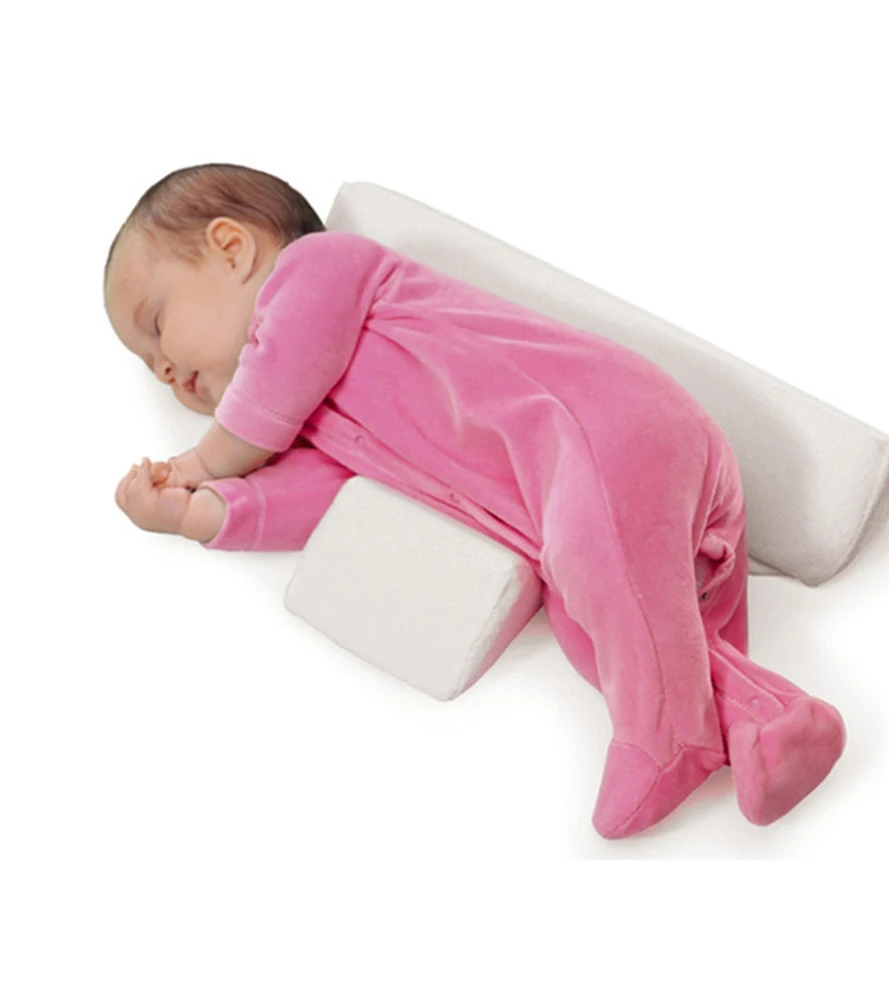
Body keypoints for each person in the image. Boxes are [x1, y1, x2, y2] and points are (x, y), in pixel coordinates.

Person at [105, 162, 846, 839]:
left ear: (232, 247)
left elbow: (265, 401)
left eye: (156, 326)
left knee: (597, 563)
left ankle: (669, 738)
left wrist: (201, 463)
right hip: (580, 509)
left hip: (606, 425)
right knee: (593, 625)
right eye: (149, 366)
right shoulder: (314, 421)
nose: (163, 370)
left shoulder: (321, 271)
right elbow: (324, 495)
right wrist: (200, 514)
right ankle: (769, 721)